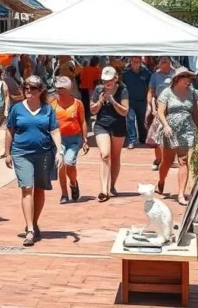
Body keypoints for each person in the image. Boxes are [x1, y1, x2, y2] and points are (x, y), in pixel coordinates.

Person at [5, 76, 63, 247]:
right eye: (26, 88)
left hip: (44, 153)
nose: (28, 91)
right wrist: (6, 152)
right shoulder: (16, 109)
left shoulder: (47, 109)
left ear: (40, 91)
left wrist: (59, 151)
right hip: (21, 152)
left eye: (33, 88)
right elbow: (10, 130)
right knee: (27, 187)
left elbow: (54, 131)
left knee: (39, 188)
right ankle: (30, 229)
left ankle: (34, 222)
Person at [152, 67, 198, 205]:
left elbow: (195, 111)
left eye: (190, 79)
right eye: (186, 78)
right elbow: (160, 112)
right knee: (167, 161)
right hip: (170, 130)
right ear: (178, 79)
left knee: (183, 161)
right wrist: (166, 125)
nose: (189, 81)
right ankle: (161, 181)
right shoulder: (167, 92)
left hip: (186, 129)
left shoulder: (191, 93)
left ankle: (180, 194)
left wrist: (197, 127)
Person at [90, 66, 129, 201]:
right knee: (105, 155)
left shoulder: (123, 90)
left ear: (115, 79)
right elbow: (93, 110)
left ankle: (111, 186)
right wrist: (100, 101)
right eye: (105, 80)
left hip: (118, 126)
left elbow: (125, 111)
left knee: (115, 156)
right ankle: (103, 190)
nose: (107, 83)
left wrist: (113, 101)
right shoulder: (98, 90)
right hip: (102, 126)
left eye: (110, 80)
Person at [51, 76, 87, 203]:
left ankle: (73, 183)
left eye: (61, 89)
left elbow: (82, 121)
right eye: (57, 89)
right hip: (59, 139)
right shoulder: (53, 104)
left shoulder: (77, 103)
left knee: (69, 162)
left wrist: (85, 139)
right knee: (60, 164)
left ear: (68, 89)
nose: (59, 91)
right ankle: (64, 194)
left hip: (74, 138)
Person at [147, 57, 176, 171]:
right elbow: (151, 92)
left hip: (174, 108)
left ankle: (169, 160)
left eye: (167, 62)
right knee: (156, 136)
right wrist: (150, 107)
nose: (165, 64)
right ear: (159, 64)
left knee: (171, 136)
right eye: (163, 62)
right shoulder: (155, 76)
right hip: (159, 109)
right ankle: (158, 159)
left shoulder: (176, 74)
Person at [121, 56, 152, 148]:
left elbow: (150, 87)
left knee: (142, 121)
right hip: (130, 101)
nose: (135, 63)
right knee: (130, 120)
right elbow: (122, 86)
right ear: (130, 62)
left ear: (140, 62)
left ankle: (143, 139)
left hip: (142, 101)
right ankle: (132, 140)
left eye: (137, 62)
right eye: (133, 61)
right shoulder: (126, 74)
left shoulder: (146, 73)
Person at [78, 57, 102, 130]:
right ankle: (88, 124)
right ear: (97, 62)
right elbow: (97, 80)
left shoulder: (84, 69)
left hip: (83, 88)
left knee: (84, 105)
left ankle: (84, 122)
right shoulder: (98, 70)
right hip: (91, 89)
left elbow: (81, 78)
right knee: (90, 105)